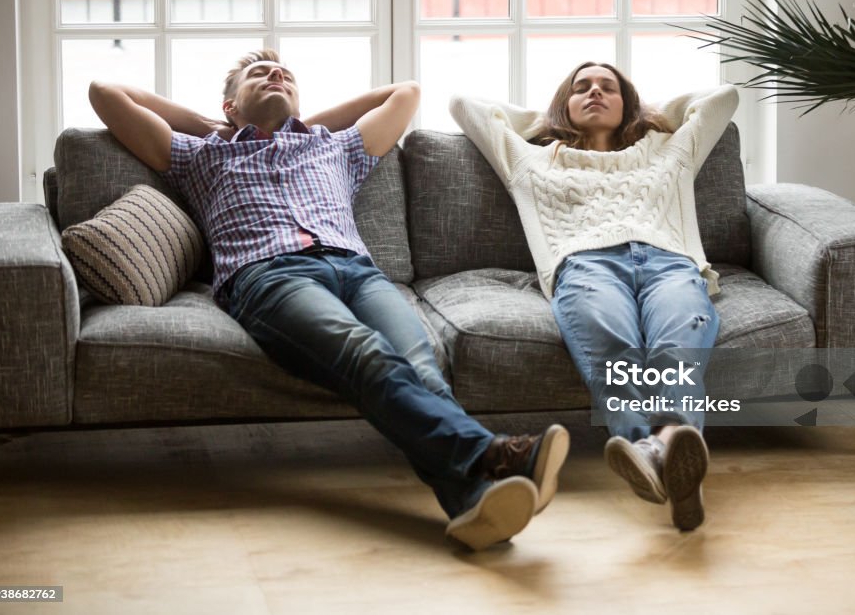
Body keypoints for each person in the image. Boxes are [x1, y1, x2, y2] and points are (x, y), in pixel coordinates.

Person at [88, 49, 569, 551]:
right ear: (229, 104)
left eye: (286, 76)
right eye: (260, 76)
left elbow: (405, 92)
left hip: (359, 273)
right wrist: (218, 123)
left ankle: (470, 499)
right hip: (269, 277)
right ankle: (502, 453)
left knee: (423, 366)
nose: (276, 76)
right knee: (364, 353)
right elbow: (105, 92)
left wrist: (296, 120)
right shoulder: (200, 154)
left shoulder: (336, 148)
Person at [450, 62, 737, 531]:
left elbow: (724, 97)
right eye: (581, 88)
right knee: (614, 349)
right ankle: (674, 452)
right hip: (586, 265)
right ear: (564, 103)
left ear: (629, 102)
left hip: (671, 264)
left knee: (676, 346)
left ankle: (657, 450)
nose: (595, 92)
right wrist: (547, 121)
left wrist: (646, 116)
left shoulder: (669, 150)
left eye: (608, 87)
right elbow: (464, 106)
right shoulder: (529, 158)